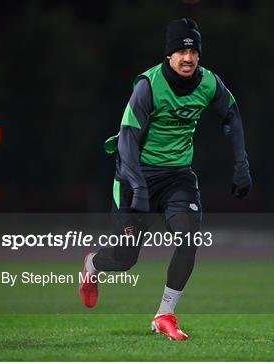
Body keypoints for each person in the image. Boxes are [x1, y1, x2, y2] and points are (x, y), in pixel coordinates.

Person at [78, 18, 251, 341]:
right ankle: (91, 266)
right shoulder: (149, 85)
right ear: (168, 55)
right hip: (134, 173)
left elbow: (232, 115)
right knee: (125, 258)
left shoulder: (209, 83)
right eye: (180, 51)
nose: (188, 58)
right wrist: (139, 187)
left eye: (193, 51)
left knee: (188, 237)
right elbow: (127, 140)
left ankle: (164, 314)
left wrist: (242, 164)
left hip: (177, 176)